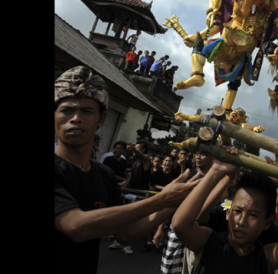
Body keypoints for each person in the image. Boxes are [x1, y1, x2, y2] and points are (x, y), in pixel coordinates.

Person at [54, 65, 201, 273]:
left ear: (102, 119)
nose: (75, 118)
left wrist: (173, 201)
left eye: (86, 111)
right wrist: (160, 200)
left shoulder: (103, 175)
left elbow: (125, 235)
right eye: (66, 110)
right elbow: (76, 226)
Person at [172, 148, 278, 274]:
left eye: (253, 215)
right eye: (237, 211)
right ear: (228, 212)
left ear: (267, 222)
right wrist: (216, 171)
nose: (241, 222)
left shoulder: (265, 258)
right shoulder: (209, 242)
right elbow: (180, 224)